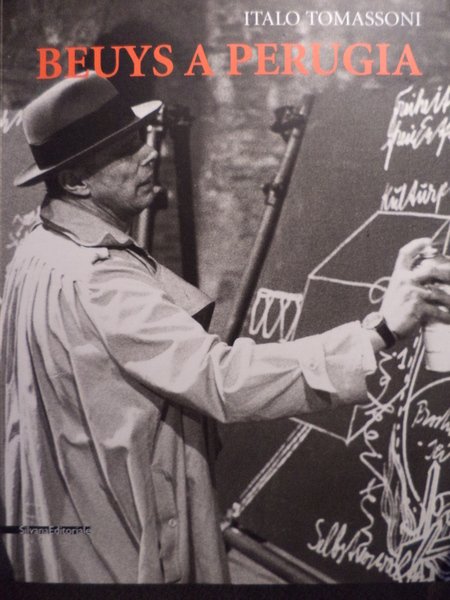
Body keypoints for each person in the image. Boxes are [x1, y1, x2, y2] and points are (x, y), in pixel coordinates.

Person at [2, 72, 450, 584]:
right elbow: (222, 379)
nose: (149, 154)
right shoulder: (99, 277)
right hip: (116, 546)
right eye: (125, 150)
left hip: (59, 529)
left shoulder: (39, 248)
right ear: (77, 181)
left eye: (141, 139)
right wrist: (381, 332)